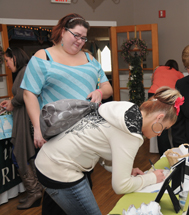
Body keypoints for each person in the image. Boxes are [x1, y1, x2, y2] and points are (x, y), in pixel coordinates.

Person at [34, 86, 184, 215]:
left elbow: (100, 146)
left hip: (48, 157)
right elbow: (121, 186)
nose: (159, 134)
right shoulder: (131, 134)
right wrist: (152, 178)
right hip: (58, 169)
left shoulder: (126, 110)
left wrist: (124, 169)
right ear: (159, 118)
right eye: (163, 128)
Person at [20, 13, 113, 214]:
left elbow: (108, 89)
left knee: (83, 185)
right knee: (59, 193)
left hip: (86, 135)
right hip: (55, 135)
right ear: (63, 32)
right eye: (76, 35)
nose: (80, 41)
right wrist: (37, 128)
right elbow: (29, 94)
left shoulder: (89, 58)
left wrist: (99, 91)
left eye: (84, 38)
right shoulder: (44, 57)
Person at [0, 47, 42, 210]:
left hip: (25, 120)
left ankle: (35, 192)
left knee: (20, 154)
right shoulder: (23, 72)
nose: (7, 64)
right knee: (23, 155)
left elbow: (25, 95)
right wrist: (12, 101)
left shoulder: (25, 71)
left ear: (15, 58)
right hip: (21, 117)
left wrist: (13, 102)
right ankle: (35, 191)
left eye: (8, 60)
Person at [148, 59, 184, 155]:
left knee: (160, 126)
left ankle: (164, 155)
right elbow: (181, 88)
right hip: (169, 96)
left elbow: (152, 80)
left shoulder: (158, 69)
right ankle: (177, 154)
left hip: (153, 94)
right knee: (174, 124)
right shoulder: (179, 73)